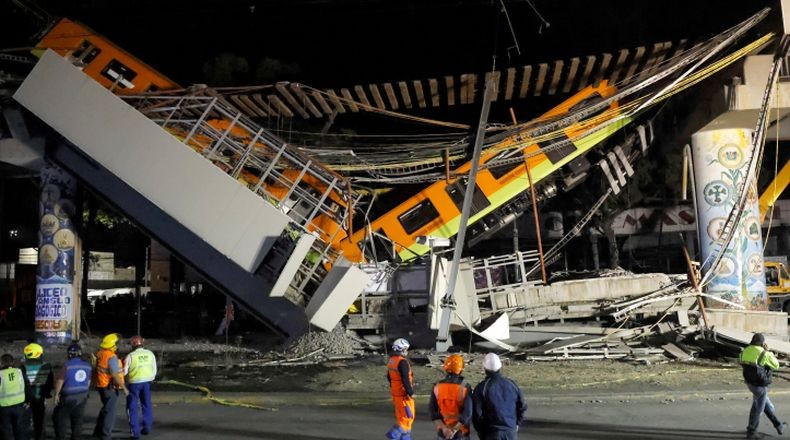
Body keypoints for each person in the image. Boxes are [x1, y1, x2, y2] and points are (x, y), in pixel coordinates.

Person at [740, 333, 787, 439]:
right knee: (757, 409)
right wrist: (768, 351)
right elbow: (776, 365)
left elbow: (741, 361)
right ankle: (751, 433)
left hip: (749, 383)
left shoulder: (745, 350)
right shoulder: (764, 353)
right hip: (760, 385)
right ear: (762, 342)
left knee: (765, 404)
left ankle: (779, 426)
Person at [472, 353, 526, 440]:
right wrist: (516, 423)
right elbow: (522, 406)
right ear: (500, 367)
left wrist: (482, 432)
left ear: (485, 368)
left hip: (492, 433)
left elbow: (477, 414)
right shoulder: (512, 384)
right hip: (510, 432)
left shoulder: (482, 388)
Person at [52, 342, 92, 440]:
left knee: (60, 419)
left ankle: (60, 437)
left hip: (68, 398)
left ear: (69, 354)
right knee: (77, 420)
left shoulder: (67, 365)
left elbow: (60, 380)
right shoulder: (87, 365)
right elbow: (88, 381)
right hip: (82, 397)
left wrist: (56, 394)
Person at [92, 333, 129, 440]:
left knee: (106, 409)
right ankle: (106, 435)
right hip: (109, 387)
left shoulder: (100, 353)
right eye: (116, 344)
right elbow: (114, 374)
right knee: (110, 412)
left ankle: (98, 432)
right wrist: (124, 387)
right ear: (113, 345)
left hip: (101, 385)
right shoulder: (111, 357)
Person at [430, 354, 473, 440]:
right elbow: (467, 413)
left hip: (443, 433)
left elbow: (432, 412)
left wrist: (445, 429)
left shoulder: (437, 387)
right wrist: (453, 430)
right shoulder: (465, 387)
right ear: (460, 369)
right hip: (460, 432)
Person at [123, 336, 156, 439]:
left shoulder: (130, 356)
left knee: (132, 407)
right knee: (146, 405)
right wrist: (151, 378)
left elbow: (124, 372)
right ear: (142, 343)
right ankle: (147, 427)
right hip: (147, 383)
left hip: (133, 384)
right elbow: (154, 368)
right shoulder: (150, 354)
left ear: (132, 345)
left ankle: (135, 433)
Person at [22, 343, 53, 440]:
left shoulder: (23, 367)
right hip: (40, 396)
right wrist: (47, 393)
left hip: (26, 397)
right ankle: (39, 435)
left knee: (26, 418)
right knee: (39, 418)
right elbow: (49, 382)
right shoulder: (47, 366)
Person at [385, 338, 415, 440]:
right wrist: (410, 392)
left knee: (401, 418)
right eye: (405, 349)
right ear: (401, 349)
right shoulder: (402, 362)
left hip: (396, 394)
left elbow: (389, 377)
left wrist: (394, 387)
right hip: (403, 396)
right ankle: (394, 434)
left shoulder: (391, 361)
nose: (406, 351)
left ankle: (405, 438)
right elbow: (405, 378)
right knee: (408, 418)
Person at [0, 353, 29, 440]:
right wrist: (27, 400)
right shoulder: (19, 372)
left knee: (6, 431)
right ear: (12, 362)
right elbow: (27, 386)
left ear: (1, 363)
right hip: (19, 405)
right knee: (20, 429)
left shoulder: (0, 374)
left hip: (4, 406)